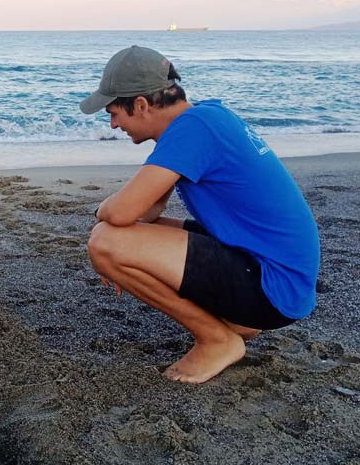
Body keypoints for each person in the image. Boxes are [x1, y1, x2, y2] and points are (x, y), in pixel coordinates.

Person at [82, 46, 320, 384]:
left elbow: (121, 213)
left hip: (274, 285)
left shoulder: (193, 130)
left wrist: (102, 216)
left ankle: (216, 341)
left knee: (106, 242)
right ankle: (236, 324)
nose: (113, 123)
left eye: (114, 112)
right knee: (119, 235)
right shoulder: (204, 118)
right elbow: (151, 211)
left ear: (140, 105)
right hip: (277, 272)